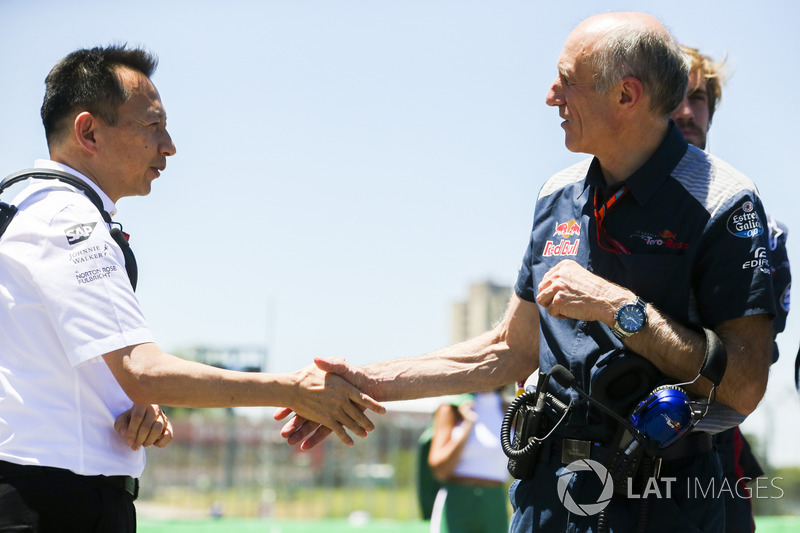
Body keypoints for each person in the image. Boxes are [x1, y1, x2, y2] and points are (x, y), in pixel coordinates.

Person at [276, 12, 775, 533]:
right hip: (547, 495)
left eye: (568, 80)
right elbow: (507, 350)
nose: (550, 96)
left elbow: (742, 386)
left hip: (661, 500)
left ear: (626, 96)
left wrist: (617, 308)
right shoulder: (556, 194)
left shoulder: (724, 200)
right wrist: (362, 380)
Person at [0, 45, 384, 532]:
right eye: (151, 126)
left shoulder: (36, 212)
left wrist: (132, 408)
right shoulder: (71, 220)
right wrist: (293, 390)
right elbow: (143, 370)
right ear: (89, 131)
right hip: (57, 505)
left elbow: (82, 377)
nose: (169, 145)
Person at [672, 45, 792, 533]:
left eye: (698, 99)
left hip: (714, 455)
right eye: (675, 97)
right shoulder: (586, 206)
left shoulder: (753, 222)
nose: (686, 111)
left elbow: (747, 368)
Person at [427, 391, 509, 533]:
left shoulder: (511, 409)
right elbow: (439, 469)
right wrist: (468, 424)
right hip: (457, 501)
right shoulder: (452, 407)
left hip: (495, 503)